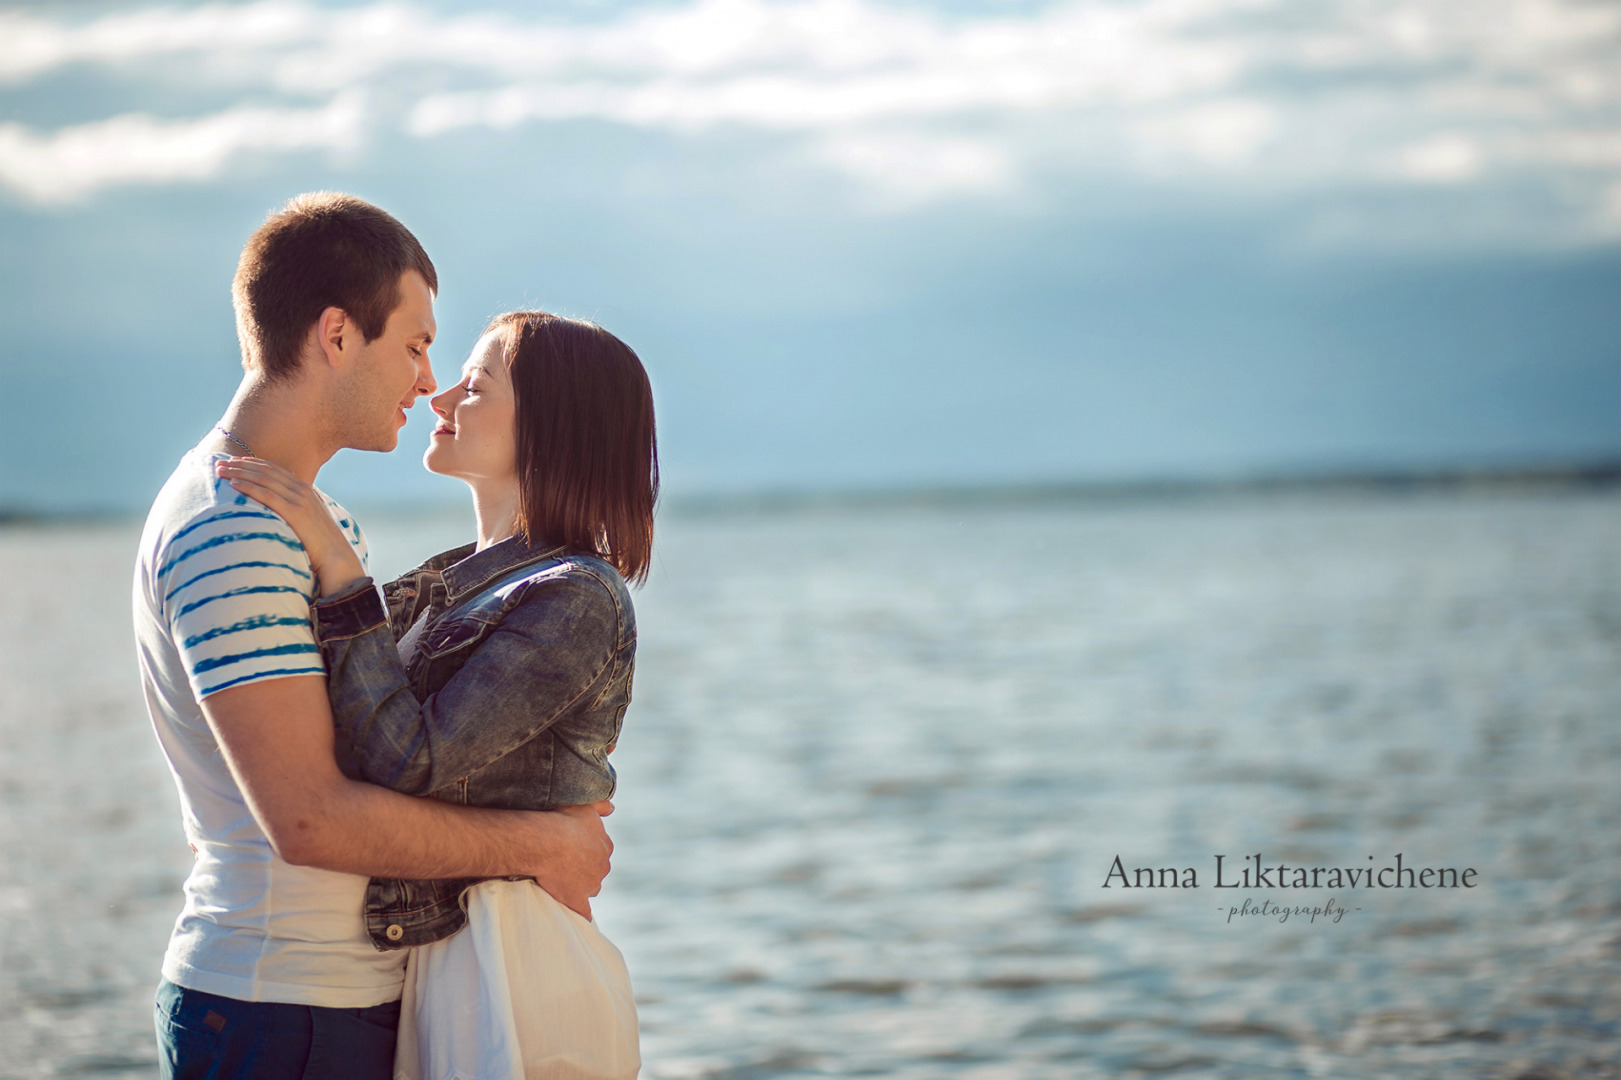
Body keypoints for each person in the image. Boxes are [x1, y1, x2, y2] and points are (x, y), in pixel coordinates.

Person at [133, 193, 614, 1080]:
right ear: (338, 335)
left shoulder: (316, 526)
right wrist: (541, 846)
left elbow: (392, 736)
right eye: (417, 344)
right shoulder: (232, 528)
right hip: (278, 1005)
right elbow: (310, 819)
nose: (428, 381)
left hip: (338, 1001)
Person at [214, 310, 656, 1079]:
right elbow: (331, 725)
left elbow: (407, 760)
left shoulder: (574, 595)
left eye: (475, 386)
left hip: (511, 964)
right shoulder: (444, 583)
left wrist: (341, 572)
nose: (440, 398)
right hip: (438, 964)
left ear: (553, 426)